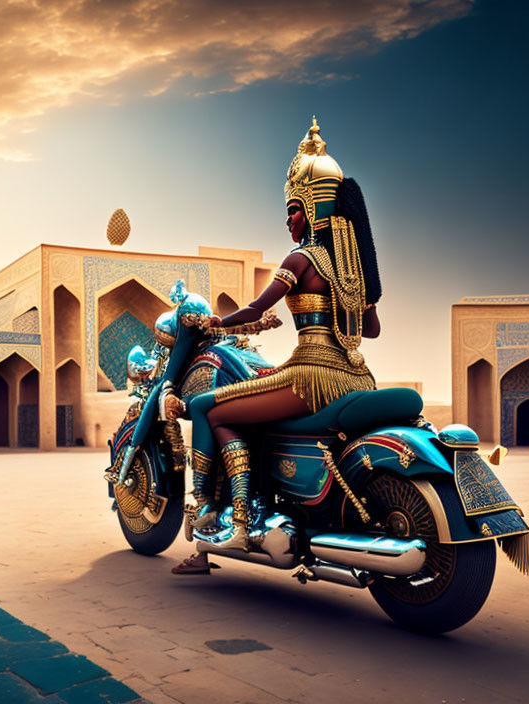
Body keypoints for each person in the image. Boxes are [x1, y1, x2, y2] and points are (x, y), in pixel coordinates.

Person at [171, 117, 382, 572]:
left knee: (211, 407)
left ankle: (227, 514)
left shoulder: (301, 259)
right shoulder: (357, 272)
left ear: (310, 207)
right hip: (358, 377)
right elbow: (374, 330)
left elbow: (253, 309)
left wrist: (215, 322)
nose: (288, 219)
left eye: (293, 209)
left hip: (310, 374)